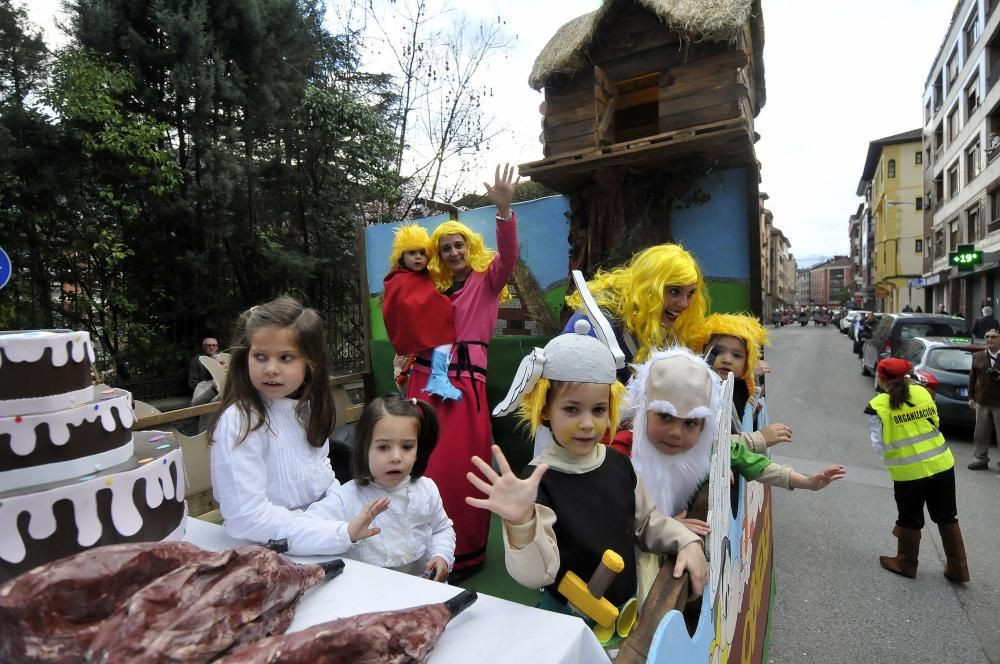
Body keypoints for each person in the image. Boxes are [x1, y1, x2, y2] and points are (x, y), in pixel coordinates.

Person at [471, 321, 707, 641]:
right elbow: (536, 574)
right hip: (569, 626)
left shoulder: (618, 463)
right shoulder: (536, 484)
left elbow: (646, 522)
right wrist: (521, 522)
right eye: (571, 409)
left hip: (627, 616)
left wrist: (686, 540)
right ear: (545, 411)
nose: (587, 423)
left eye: (598, 410)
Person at [405, 163, 520, 575]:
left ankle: (465, 551)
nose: (454, 253)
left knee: (463, 466)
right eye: (446, 249)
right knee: (425, 463)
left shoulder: (487, 282)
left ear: (469, 247)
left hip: (466, 385)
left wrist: (504, 212)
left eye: (459, 245)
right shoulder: (432, 292)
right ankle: (422, 547)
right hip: (425, 383)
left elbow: (508, 257)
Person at [209, 296, 387, 555]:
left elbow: (325, 483)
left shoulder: (307, 408)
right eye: (260, 356)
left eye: (285, 357)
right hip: (269, 552)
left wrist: (353, 511)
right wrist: (336, 533)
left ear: (310, 363)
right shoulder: (240, 421)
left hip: (323, 540)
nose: (271, 369)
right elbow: (247, 516)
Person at [622, 348, 845, 540]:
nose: (675, 433)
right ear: (644, 411)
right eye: (665, 416)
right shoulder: (623, 452)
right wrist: (667, 526)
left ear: (703, 426)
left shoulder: (702, 448)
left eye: (690, 423)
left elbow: (752, 463)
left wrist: (807, 481)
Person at [306, 395, 455, 581]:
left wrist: (441, 555)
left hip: (423, 591)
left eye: (407, 446)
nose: (396, 457)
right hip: (370, 596)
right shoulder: (346, 498)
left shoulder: (426, 490)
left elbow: (441, 529)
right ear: (364, 449)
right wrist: (347, 532)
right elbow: (300, 529)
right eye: (384, 447)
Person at [865, 358, 969, 582]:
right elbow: (935, 423)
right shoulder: (923, 393)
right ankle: (958, 568)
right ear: (907, 376)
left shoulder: (878, 405)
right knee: (947, 515)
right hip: (941, 463)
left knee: (910, 517)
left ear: (882, 379)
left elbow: (878, 443)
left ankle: (905, 563)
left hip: (908, 471)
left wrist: (895, 457)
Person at [563, 244, 709, 381]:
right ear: (647, 288)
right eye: (674, 291)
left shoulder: (661, 324)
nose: (684, 304)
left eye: (690, 294)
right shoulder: (600, 322)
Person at [382, 223, 460, 400]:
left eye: (422, 253)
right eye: (412, 253)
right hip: (418, 341)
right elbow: (403, 306)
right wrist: (440, 304)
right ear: (402, 256)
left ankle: (439, 378)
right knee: (445, 338)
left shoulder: (426, 276)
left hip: (433, 335)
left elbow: (427, 298)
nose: (418, 257)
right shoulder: (397, 279)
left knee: (446, 340)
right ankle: (439, 379)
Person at [967, 330, 1000, 470]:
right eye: (987, 336)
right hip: (982, 401)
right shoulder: (978, 356)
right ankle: (980, 459)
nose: (989, 339)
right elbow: (972, 378)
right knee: (980, 433)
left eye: (993, 337)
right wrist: (971, 397)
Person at [189, 337, 220, 406]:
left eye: (214, 345)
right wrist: (205, 392)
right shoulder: (197, 360)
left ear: (217, 347)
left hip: (219, 388)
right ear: (203, 347)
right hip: (203, 389)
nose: (211, 347)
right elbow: (193, 381)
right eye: (208, 345)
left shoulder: (221, 358)